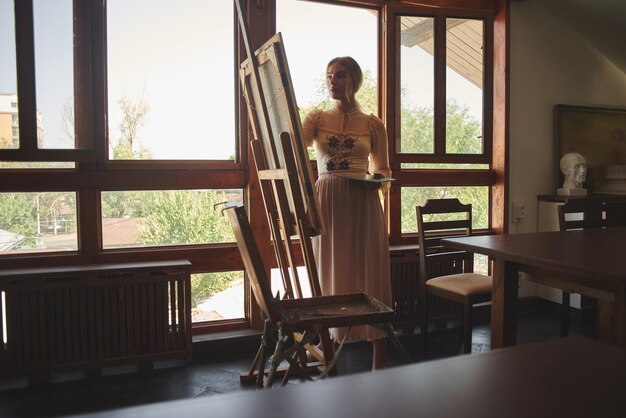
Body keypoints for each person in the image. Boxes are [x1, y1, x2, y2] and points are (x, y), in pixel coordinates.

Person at [302, 56, 392, 370]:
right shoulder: (316, 118)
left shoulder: (372, 123)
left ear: (353, 80)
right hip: (327, 198)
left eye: (339, 76)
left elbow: (382, 167)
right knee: (330, 268)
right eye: (329, 76)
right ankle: (328, 347)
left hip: (363, 200)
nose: (332, 81)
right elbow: (291, 150)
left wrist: (378, 179)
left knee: (369, 268)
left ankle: (379, 356)